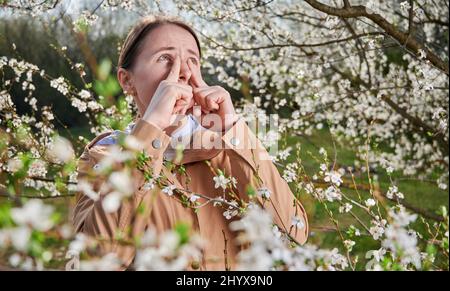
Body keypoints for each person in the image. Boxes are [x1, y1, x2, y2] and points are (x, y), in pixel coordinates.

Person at [72, 15, 308, 270]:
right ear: (127, 81)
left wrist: (233, 128)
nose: (183, 72)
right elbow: (96, 263)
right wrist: (150, 129)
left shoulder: (233, 143)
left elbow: (293, 235)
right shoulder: (103, 155)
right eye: (164, 58)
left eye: (192, 61)